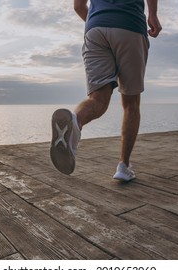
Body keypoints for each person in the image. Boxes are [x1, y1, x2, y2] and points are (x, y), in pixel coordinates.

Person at [50, 0, 162, 181]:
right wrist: (153, 15)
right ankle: (124, 167)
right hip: (130, 25)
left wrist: (98, 21)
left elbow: (78, 6)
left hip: (95, 29)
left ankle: (74, 121)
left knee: (98, 99)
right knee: (131, 103)